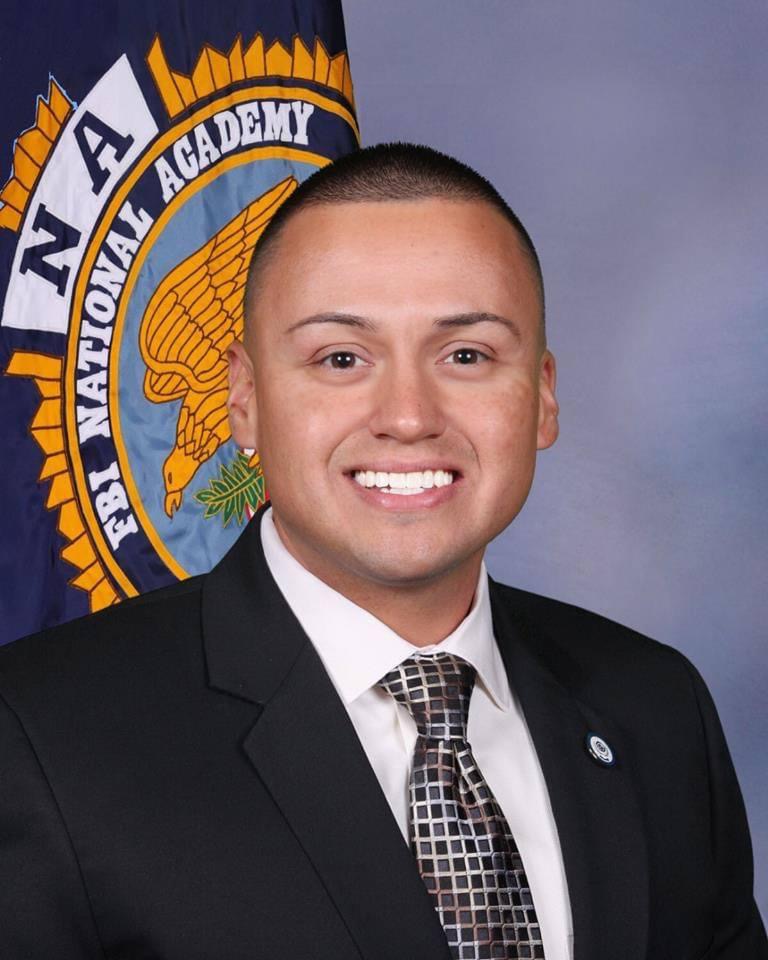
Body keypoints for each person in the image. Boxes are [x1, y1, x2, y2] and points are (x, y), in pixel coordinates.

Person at [0, 143, 764, 960]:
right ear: (244, 399)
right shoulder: (37, 738)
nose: (407, 416)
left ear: (542, 396)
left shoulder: (656, 708)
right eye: (341, 359)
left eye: (466, 356)